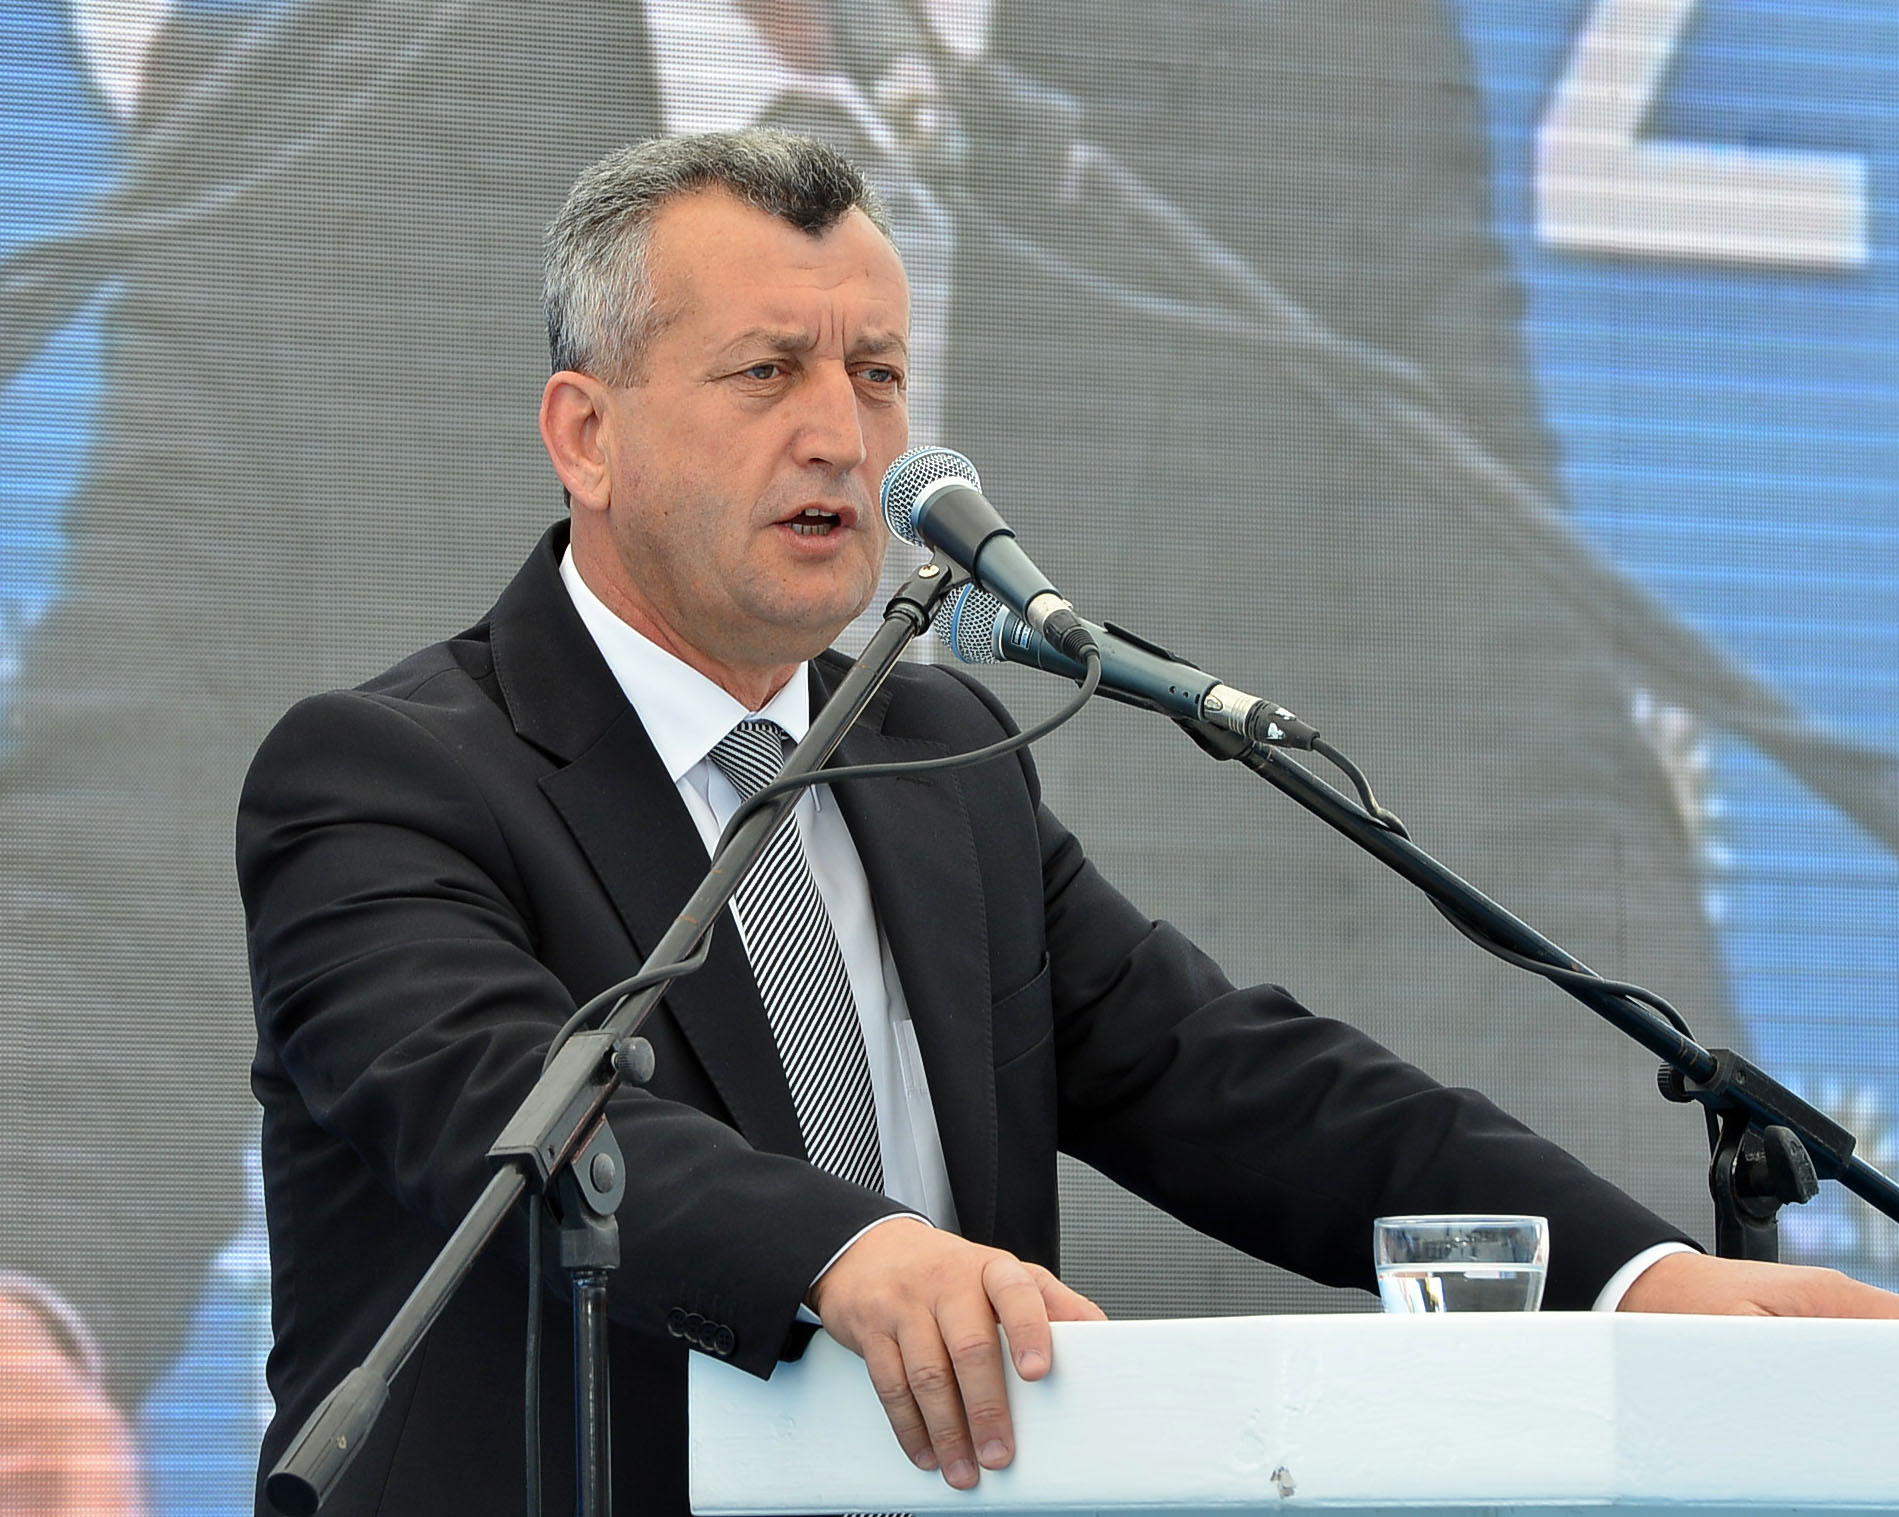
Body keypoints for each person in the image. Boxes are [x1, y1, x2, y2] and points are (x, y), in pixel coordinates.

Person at [238, 129, 1899, 1517]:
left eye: (878, 375)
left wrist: (1637, 1279)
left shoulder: (939, 754)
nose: (842, 435)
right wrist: (852, 1253)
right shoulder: (384, 777)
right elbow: (514, 1116)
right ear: (585, 435)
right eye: (767, 373)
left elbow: (1240, 1083)